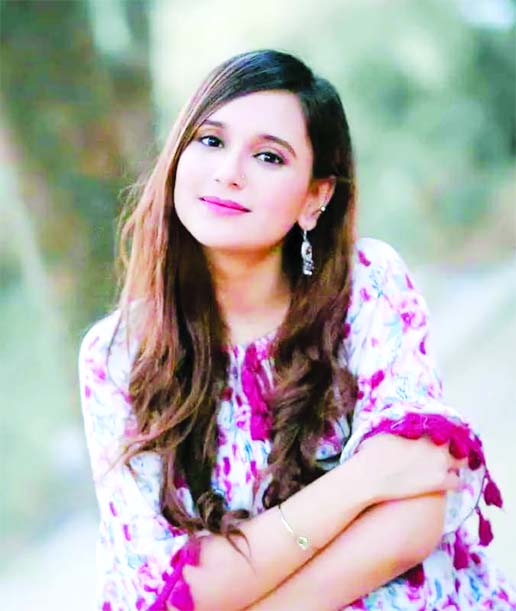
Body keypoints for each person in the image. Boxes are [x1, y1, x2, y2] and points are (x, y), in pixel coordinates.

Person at [78, 49, 516, 611]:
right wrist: (362, 481)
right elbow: (170, 588)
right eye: (210, 141)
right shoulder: (118, 355)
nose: (229, 172)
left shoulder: (367, 286)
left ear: (315, 197)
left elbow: (415, 516)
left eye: (268, 156)